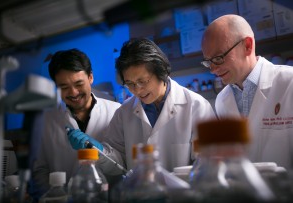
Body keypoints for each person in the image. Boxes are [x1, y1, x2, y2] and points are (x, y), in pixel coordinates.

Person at [67, 38, 216, 176]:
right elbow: (117, 163)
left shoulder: (196, 107)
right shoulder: (124, 113)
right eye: (130, 84)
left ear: (161, 71)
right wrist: (97, 150)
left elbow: (208, 166)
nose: (137, 90)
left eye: (142, 81)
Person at [201, 14, 293, 170]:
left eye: (218, 58)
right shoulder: (222, 101)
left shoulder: (289, 83)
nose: (213, 69)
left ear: (247, 46)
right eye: (208, 62)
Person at [30, 48, 121, 198]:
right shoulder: (45, 120)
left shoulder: (116, 111)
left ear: (90, 77)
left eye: (79, 84)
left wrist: (100, 151)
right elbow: (39, 170)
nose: (73, 92)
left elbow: (122, 165)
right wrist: (55, 198)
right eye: (64, 87)